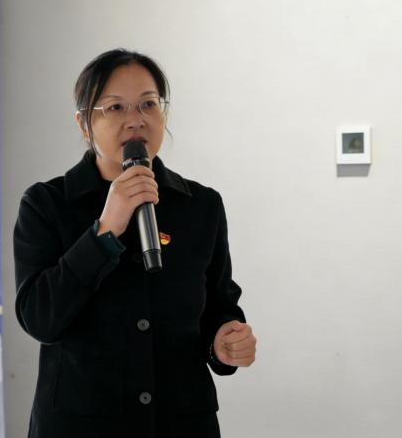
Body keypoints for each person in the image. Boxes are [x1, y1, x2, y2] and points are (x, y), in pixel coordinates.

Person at [13, 49, 257, 438]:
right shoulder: (47, 205)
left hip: (181, 424)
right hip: (81, 426)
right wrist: (106, 229)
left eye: (148, 104)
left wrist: (225, 339)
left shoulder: (201, 205)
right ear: (84, 123)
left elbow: (218, 305)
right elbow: (40, 317)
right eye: (115, 107)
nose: (135, 119)